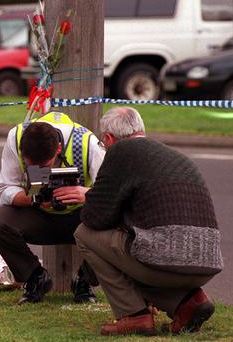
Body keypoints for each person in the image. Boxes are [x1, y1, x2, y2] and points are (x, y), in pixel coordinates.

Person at [74, 107, 222, 336]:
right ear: (141, 130)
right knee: (141, 248)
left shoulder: (120, 152)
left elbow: (95, 218)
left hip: (164, 263)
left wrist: (88, 195)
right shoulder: (176, 157)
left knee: (85, 234)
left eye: (104, 144)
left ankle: (133, 315)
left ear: (109, 138)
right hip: (207, 262)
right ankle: (188, 302)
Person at [0, 110, 105, 305]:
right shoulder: (15, 138)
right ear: (22, 151)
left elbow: (110, 192)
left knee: (116, 222)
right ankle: (35, 277)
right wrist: (34, 200)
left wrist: (85, 194)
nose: (41, 171)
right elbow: (5, 188)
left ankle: (85, 280)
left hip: (80, 216)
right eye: (33, 167)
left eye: (45, 165)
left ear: (58, 149)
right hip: (38, 213)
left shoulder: (87, 143)